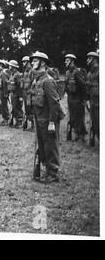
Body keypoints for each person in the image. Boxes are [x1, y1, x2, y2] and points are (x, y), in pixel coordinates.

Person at [30, 52, 65, 183]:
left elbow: (54, 104)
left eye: (35, 61)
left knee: (50, 146)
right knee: (43, 146)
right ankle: (47, 170)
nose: (32, 63)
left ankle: (52, 173)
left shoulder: (48, 81)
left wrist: (52, 122)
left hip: (48, 120)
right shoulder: (37, 80)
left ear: (43, 63)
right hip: (40, 120)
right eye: (32, 61)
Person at [64, 54, 87, 142]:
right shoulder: (67, 72)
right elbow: (66, 85)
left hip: (78, 98)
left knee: (79, 117)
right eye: (65, 60)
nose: (65, 62)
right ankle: (76, 133)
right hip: (70, 98)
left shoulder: (77, 72)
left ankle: (82, 135)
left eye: (67, 60)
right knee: (72, 117)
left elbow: (83, 86)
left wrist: (84, 99)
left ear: (72, 61)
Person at [86, 51, 99, 146]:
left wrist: (91, 85)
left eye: (89, 58)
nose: (87, 60)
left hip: (99, 101)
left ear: (95, 59)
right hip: (92, 100)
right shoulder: (89, 72)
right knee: (94, 122)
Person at [8, 60, 24, 128]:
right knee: (14, 108)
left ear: (13, 67)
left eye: (10, 66)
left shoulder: (17, 75)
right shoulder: (12, 74)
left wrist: (20, 96)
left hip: (17, 94)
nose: (9, 67)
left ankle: (19, 122)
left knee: (17, 108)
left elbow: (20, 86)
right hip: (13, 94)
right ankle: (16, 121)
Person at [0, 59, 10, 125]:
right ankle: (0, 119)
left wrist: (6, 93)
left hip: (2, 92)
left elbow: (5, 83)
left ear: (1, 65)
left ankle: (6, 119)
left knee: (4, 106)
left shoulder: (3, 73)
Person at [21, 56, 34, 131]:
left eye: (24, 62)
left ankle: (33, 125)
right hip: (25, 92)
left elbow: (33, 82)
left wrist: (30, 91)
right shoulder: (25, 70)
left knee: (30, 108)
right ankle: (28, 124)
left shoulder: (31, 71)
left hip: (29, 93)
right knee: (27, 109)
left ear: (28, 62)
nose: (23, 63)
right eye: (23, 62)